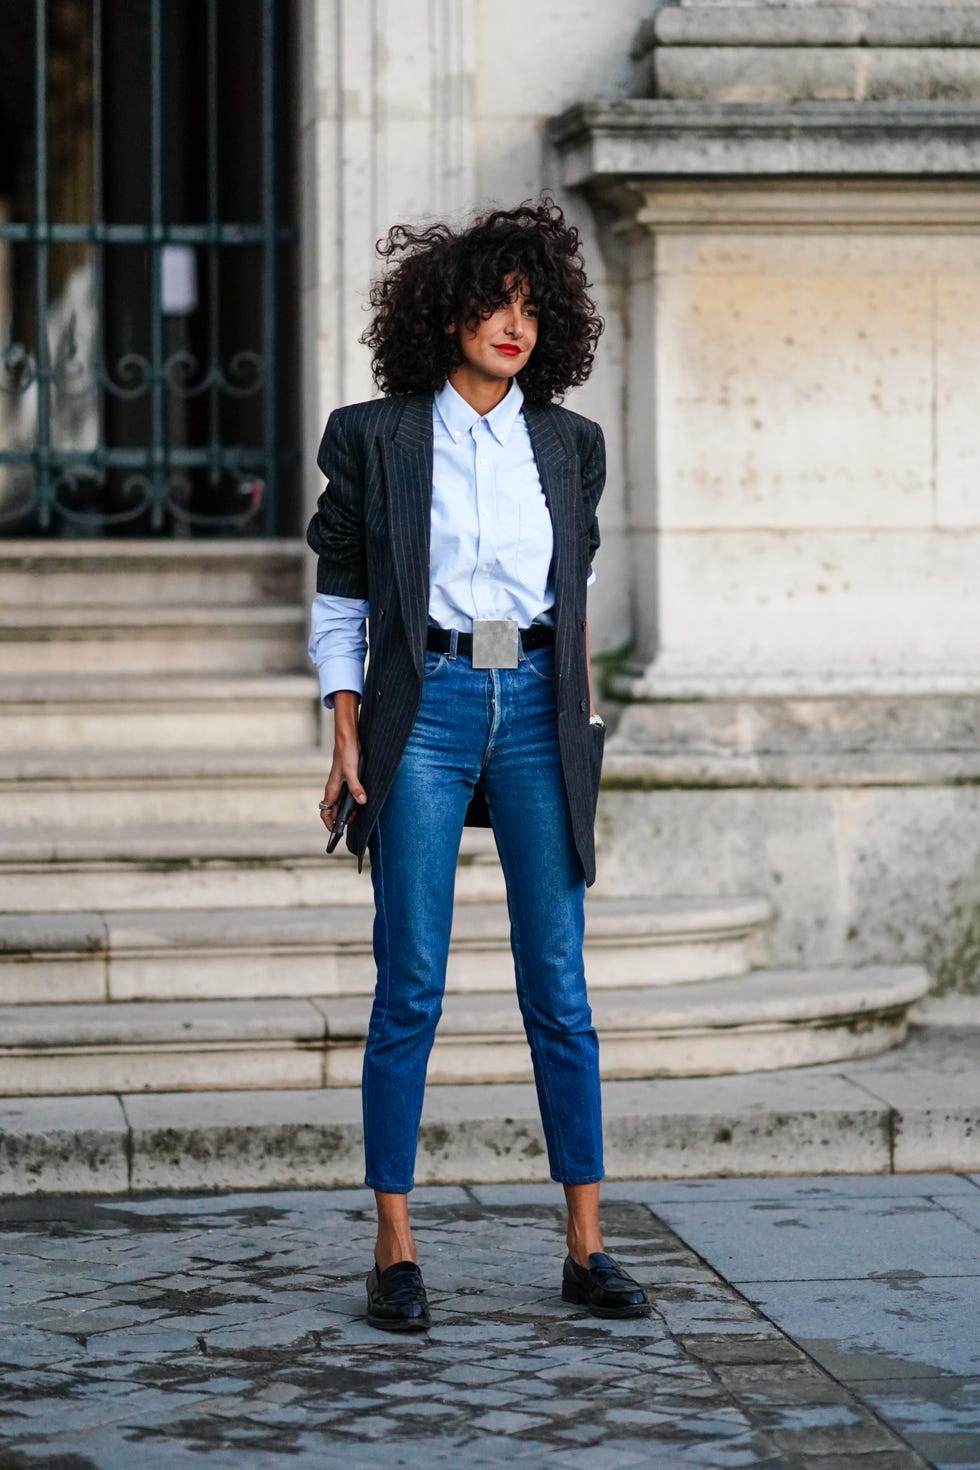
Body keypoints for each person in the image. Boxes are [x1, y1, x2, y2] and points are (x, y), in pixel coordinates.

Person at [307, 199, 649, 1332]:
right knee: (411, 982)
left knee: (560, 987)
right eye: (493, 304)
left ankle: (587, 1243)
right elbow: (344, 595)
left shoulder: (568, 444)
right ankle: (395, 1246)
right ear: (442, 314)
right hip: (431, 707)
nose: (513, 325)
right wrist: (345, 722)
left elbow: (575, 599)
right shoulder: (375, 436)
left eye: (531, 307)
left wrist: (581, 722)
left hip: (540, 711)